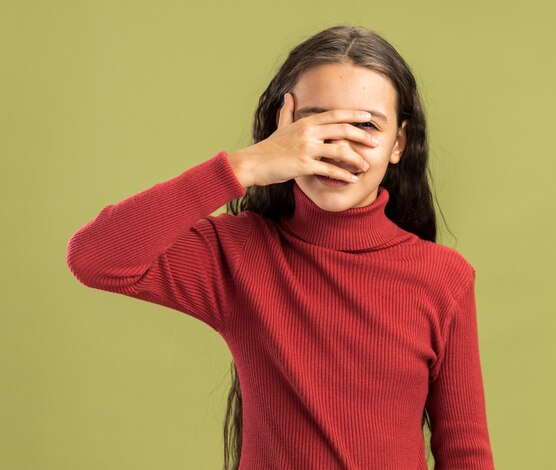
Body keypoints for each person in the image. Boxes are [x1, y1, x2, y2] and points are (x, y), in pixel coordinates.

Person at [66, 24, 495, 470]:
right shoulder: (239, 252)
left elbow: (465, 454)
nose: (339, 149)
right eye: (315, 122)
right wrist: (249, 164)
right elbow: (95, 257)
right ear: (284, 128)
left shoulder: (444, 276)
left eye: (366, 126)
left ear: (398, 144)